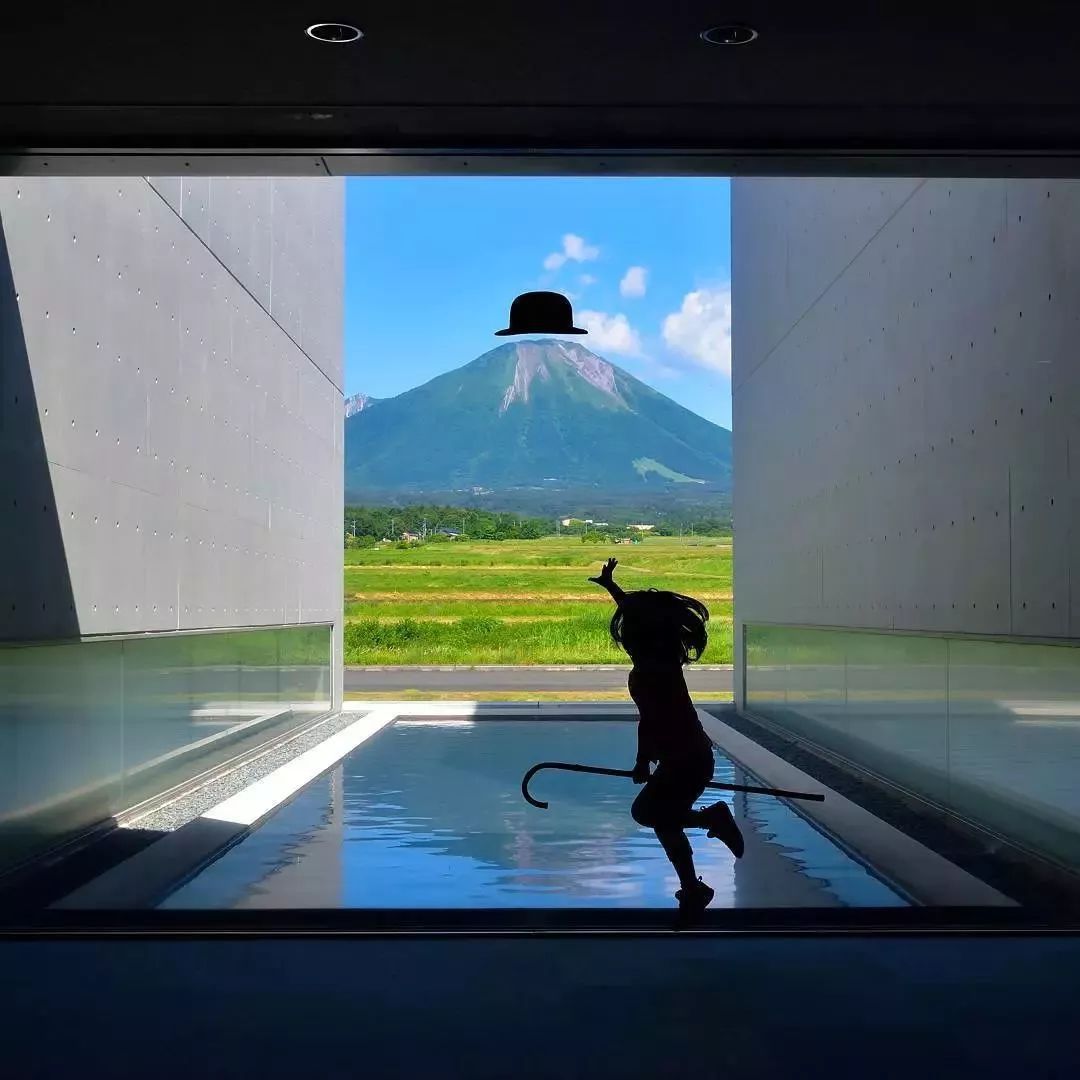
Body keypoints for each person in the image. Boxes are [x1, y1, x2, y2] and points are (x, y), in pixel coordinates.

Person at [588, 557, 745, 917]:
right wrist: (612, 587)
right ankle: (692, 887)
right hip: (685, 758)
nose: (623, 634)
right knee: (663, 819)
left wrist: (642, 759)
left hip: (686, 761)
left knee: (648, 812)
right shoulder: (659, 659)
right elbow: (638, 614)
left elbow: (650, 720)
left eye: (629, 630)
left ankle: (712, 822)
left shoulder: (652, 671)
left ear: (639, 635)